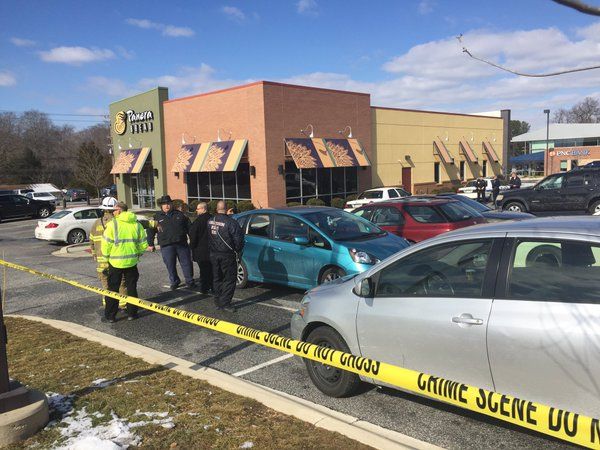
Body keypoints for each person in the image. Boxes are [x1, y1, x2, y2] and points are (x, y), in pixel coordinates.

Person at [101, 202, 147, 322]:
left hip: (115, 263)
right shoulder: (137, 225)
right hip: (132, 262)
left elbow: (106, 244)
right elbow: (143, 243)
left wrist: (106, 259)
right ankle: (132, 313)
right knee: (132, 288)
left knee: (113, 290)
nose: (113, 213)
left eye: (114, 211)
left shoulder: (112, 225)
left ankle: (111, 316)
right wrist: (138, 254)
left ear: (120, 211)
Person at [147, 195, 195, 290]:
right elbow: (150, 231)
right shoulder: (156, 217)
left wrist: (193, 241)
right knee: (170, 265)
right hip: (166, 245)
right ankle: (174, 281)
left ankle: (190, 281)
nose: (166, 206)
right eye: (164, 204)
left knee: (187, 263)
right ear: (161, 206)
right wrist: (150, 244)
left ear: (171, 204)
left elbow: (190, 229)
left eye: (168, 203)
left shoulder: (180, 215)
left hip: (181, 244)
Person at [208, 200, 244, 312]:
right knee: (229, 279)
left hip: (213, 254)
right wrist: (238, 250)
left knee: (217, 277)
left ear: (216, 209)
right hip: (227, 255)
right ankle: (225, 303)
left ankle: (218, 301)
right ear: (226, 208)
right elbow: (239, 240)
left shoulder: (210, 221)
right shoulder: (231, 222)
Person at [90, 205, 127, 309]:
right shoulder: (117, 222)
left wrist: (94, 254)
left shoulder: (97, 222)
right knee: (121, 283)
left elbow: (91, 239)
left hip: (101, 262)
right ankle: (123, 304)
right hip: (115, 261)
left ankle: (108, 305)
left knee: (106, 285)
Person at [189, 202, 213, 294]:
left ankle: (204, 288)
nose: (196, 210)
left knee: (203, 271)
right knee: (212, 269)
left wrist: (192, 246)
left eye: (198, 209)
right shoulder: (212, 219)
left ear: (203, 209)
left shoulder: (198, 221)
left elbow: (193, 235)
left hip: (201, 250)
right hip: (213, 249)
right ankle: (213, 286)